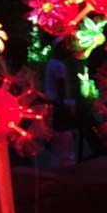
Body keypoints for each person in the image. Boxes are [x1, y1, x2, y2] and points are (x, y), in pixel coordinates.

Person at [43, 37, 78, 166]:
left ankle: (56, 161)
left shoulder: (50, 64)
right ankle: (65, 161)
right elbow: (61, 87)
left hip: (50, 102)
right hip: (58, 104)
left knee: (54, 132)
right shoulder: (59, 66)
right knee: (63, 132)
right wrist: (66, 106)